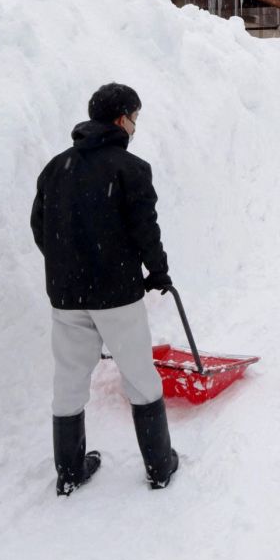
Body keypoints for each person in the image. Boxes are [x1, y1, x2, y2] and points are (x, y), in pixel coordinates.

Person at [30, 82, 178, 496]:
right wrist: (158, 271)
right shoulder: (130, 169)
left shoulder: (56, 167)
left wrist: (67, 265)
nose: (135, 126)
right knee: (139, 377)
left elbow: (40, 227)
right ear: (121, 119)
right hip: (116, 295)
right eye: (135, 118)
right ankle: (159, 465)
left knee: (70, 378)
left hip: (66, 295)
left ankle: (71, 470)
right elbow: (144, 229)